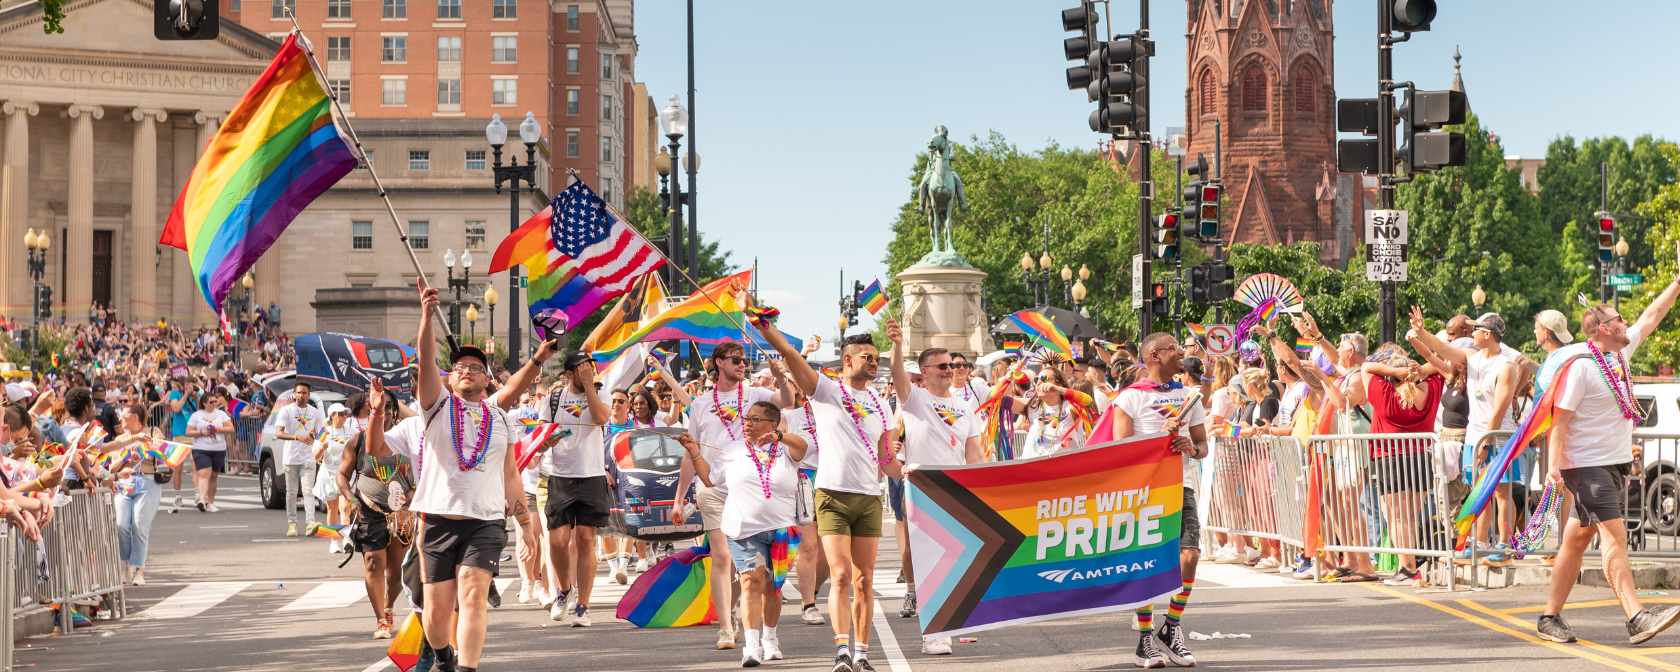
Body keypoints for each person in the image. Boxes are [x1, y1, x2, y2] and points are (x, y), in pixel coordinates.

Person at [364, 283, 538, 672]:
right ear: (449, 378)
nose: (466, 371)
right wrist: (426, 316)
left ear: (486, 380)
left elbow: (511, 476)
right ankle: (442, 655)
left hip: (486, 523)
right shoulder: (435, 410)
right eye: (459, 367)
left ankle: (467, 668)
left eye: (476, 367)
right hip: (437, 521)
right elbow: (426, 359)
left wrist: (526, 525)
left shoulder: (502, 420)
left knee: (473, 596)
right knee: (438, 613)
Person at [754, 296, 903, 672]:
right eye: (866, 356)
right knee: (838, 574)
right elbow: (788, 351)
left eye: (876, 357)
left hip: (869, 499)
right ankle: (841, 652)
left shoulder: (881, 404)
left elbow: (887, 461)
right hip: (833, 495)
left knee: (864, 580)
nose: (873, 362)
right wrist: (759, 320)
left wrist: (917, 473)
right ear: (847, 360)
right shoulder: (826, 390)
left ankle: (863, 654)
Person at [1536, 266, 1680, 645]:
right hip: (1585, 467)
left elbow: (1653, 316)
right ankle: (1636, 617)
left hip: (1612, 464)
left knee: (1576, 541)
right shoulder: (1581, 369)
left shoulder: (1620, 355)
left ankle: (1549, 617)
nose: (1626, 322)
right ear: (1603, 328)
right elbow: (1559, 424)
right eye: (1619, 319)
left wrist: (1678, 283)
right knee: (1614, 536)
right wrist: (1553, 468)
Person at [664, 340, 779, 649]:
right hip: (712, 488)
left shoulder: (755, 394)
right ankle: (726, 628)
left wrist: (783, 372)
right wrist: (679, 497)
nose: (742, 364)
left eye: (744, 360)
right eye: (736, 359)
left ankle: (731, 604)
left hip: (750, 488)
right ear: (718, 363)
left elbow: (789, 400)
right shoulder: (700, 404)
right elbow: (692, 454)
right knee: (722, 555)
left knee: (751, 563)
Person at [678, 400, 811, 666]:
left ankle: (770, 638)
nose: (747, 424)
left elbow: (803, 446)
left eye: (755, 419)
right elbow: (709, 479)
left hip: (783, 531)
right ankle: (751, 646)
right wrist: (694, 450)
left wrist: (781, 437)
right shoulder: (733, 450)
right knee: (751, 583)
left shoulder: (785, 450)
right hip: (744, 531)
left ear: (772, 424)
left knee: (774, 589)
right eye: (746, 419)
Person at [1111, 332, 1208, 668]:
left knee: (1189, 556)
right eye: (1174, 349)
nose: (1182, 353)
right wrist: (1158, 437)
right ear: (1155, 355)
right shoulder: (1129, 398)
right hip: (1143, 490)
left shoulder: (1190, 397)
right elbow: (1119, 448)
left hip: (1181, 486)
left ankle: (1172, 629)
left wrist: (1190, 448)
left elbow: (1202, 446)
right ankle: (1143, 640)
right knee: (1146, 563)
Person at [886, 320, 982, 656]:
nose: (949, 370)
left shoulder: (966, 407)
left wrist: (985, 485)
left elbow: (974, 454)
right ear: (924, 372)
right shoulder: (915, 400)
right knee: (930, 558)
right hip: (923, 486)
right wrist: (898, 344)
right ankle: (934, 633)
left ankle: (949, 623)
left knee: (957, 557)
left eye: (953, 365)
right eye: (942, 365)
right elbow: (898, 375)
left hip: (956, 487)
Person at [1411, 310, 1521, 564]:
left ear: (1488, 334)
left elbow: (1499, 410)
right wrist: (1420, 331)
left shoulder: (1506, 366)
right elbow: (1439, 348)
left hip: (1497, 436)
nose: (1472, 333)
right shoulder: (1472, 357)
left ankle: (1504, 545)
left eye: (1476, 329)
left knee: (1501, 492)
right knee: (1476, 491)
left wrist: (1488, 442)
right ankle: (1478, 543)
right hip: (1474, 435)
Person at [533, 350, 610, 626]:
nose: (589, 370)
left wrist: (590, 386)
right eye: (582, 368)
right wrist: (546, 442)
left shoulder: (601, 393)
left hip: (591, 476)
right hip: (561, 477)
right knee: (556, 541)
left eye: (591, 366)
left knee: (586, 541)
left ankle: (584, 605)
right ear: (569, 373)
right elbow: (539, 439)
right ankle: (564, 590)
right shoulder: (554, 399)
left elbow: (601, 418)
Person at [339, 385, 414, 639]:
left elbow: (423, 473)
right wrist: (350, 498)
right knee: (373, 563)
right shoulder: (359, 440)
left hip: (401, 513)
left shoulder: (408, 439)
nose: (381, 413)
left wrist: (414, 496)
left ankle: (389, 606)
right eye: (374, 409)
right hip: (368, 509)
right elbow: (342, 474)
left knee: (396, 570)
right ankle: (381, 620)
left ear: (395, 411)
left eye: (385, 408)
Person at [107, 403, 167, 585]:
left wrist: (142, 452)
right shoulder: (121, 439)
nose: (120, 419)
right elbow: (111, 467)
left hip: (148, 482)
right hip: (123, 483)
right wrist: (125, 455)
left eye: (123, 415)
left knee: (140, 526)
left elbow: (163, 451)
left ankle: (139, 570)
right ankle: (126, 565)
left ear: (135, 417)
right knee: (121, 526)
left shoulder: (153, 431)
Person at [275, 381, 325, 537]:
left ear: (308, 395)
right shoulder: (286, 411)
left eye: (304, 393)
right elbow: (279, 433)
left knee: (308, 490)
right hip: (290, 457)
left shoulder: (315, 412)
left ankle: (310, 522)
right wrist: (298, 437)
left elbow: (322, 434)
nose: (301, 396)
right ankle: (292, 524)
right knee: (291, 492)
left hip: (309, 457)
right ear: (294, 394)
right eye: (298, 393)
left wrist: (314, 436)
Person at [184, 388, 233, 512]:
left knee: (214, 476)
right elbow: (188, 432)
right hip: (201, 448)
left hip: (218, 448)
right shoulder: (197, 415)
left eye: (215, 401)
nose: (214, 404)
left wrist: (218, 430)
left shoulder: (221, 414)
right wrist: (201, 432)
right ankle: (201, 500)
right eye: (211, 402)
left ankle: (210, 502)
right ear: (204, 403)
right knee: (204, 474)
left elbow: (230, 428)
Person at [315, 403, 353, 553]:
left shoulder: (352, 432)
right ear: (332, 415)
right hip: (328, 474)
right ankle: (333, 542)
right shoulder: (324, 431)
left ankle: (346, 539)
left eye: (346, 414)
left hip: (345, 474)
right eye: (341, 414)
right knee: (332, 509)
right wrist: (321, 448)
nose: (344, 416)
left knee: (345, 507)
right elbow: (315, 456)